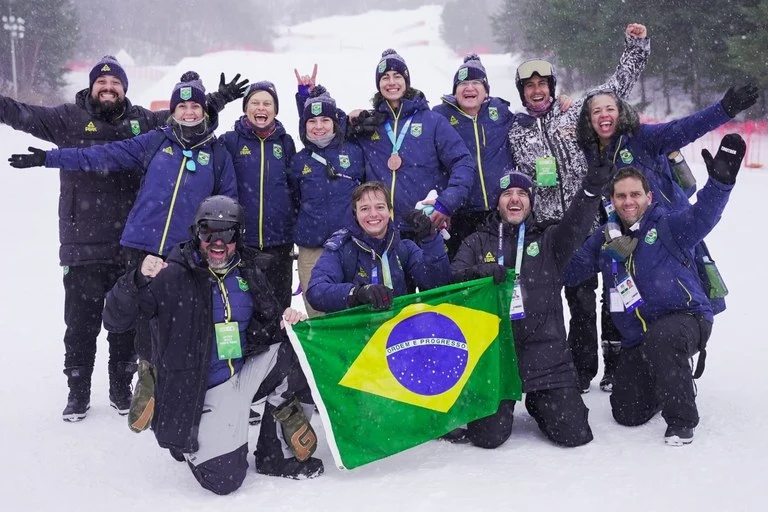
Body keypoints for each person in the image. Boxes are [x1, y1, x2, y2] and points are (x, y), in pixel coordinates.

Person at [0, 55, 246, 421]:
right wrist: (47, 159)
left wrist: (215, 99)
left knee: (141, 323)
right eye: (102, 82)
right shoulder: (90, 124)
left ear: (125, 88)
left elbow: (192, 115)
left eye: (115, 82)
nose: (108, 87)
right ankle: (80, 391)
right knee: (86, 321)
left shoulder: (154, 127)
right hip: (99, 244)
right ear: (91, 86)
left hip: (152, 248)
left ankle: (128, 386)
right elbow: (92, 150)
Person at [102, 196, 323, 494]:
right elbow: (115, 319)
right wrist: (136, 280)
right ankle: (190, 436)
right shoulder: (173, 275)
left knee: (300, 352)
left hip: (241, 372)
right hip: (198, 389)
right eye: (209, 232)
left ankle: (275, 456)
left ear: (238, 236)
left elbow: (268, 323)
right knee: (224, 480)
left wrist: (285, 321)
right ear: (196, 233)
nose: (218, 242)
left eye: (227, 233)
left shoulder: (246, 270)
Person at [564, 134, 745, 445]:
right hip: (640, 336)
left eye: (635, 194)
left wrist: (720, 184)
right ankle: (667, 379)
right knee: (626, 411)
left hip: (686, 318)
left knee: (664, 338)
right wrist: (543, 253)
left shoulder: (668, 225)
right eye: (621, 196)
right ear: (611, 201)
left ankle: (681, 421)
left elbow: (703, 215)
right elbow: (570, 271)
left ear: (648, 196)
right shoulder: (605, 238)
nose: (628, 201)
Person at [508, 24, 650, 393]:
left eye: (542, 84)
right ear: (522, 93)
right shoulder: (515, 131)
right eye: (529, 86)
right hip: (547, 231)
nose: (537, 91)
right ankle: (579, 370)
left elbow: (616, 87)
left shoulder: (573, 114)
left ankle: (615, 365)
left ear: (552, 88)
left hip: (588, 222)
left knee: (610, 293)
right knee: (573, 302)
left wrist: (636, 45)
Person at [450, 156, 612, 448]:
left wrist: (591, 188)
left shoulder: (550, 239)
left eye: (522, 193)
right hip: (496, 358)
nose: (515, 199)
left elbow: (577, 223)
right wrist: (478, 273)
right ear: (497, 202)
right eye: (507, 193)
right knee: (488, 437)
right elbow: (453, 281)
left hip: (546, 356)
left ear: (531, 201)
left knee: (574, 433)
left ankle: (539, 400)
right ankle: (503, 401)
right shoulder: (477, 242)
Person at [433, 54, 573, 256]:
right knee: (463, 266)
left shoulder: (500, 113)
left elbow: (535, 115)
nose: (469, 88)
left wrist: (559, 101)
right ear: (454, 91)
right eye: (462, 84)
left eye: (476, 83)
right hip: (460, 212)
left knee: (501, 265)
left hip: (498, 210)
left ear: (486, 91)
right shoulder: (440, 117)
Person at [347, 49, 476, 238]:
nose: (391, 82)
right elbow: (327, 136)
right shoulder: (370, 125)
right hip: (382, 231)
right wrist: (347, 122)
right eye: (385, 77)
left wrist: (447, 202)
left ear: (406, 81)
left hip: (424, 226)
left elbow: (463, 162)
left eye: (397, 76)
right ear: (378, 84)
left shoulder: (432, 121)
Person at [306, 182, 450, 313]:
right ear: (355, 214)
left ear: (389, 211)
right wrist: (356, 294)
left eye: (380, 207)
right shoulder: (341, 248)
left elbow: (437, 284)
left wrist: (430, 238)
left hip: (400, 328)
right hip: (359, 330)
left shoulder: (404, 247)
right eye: (364, 209)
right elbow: (316, 291)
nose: (373, 214)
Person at [290, 84, 365, 317]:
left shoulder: (354, 151)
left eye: (325, 120)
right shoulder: (298, 160)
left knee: (353, 313)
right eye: (312, 121)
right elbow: (294, 201)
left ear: (335, 122)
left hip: (350, 247)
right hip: (312, 250)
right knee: (318, 315)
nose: (319, 126)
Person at [221, 80, 297, 310]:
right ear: (246, 108)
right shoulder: (230, 141)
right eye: (255, 103)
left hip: (279, 243)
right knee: (243, 307)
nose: (261, 108)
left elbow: (293, 187)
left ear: (275, 110)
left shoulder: (285, 142)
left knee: (278, 308)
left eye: (267, 103)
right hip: (243, 243)